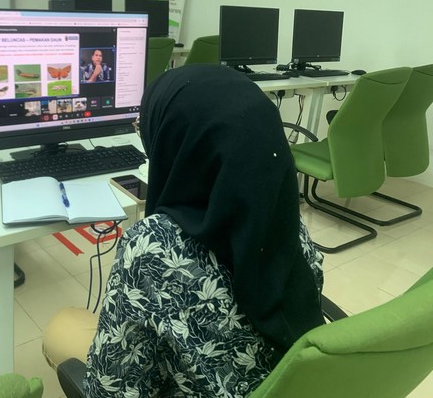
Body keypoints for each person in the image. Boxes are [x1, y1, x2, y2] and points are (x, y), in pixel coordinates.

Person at [43, 64, 325, 397]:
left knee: (62, 326)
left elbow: (112, 389)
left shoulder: (152, 247)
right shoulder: (287, 222)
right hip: (281, 384)